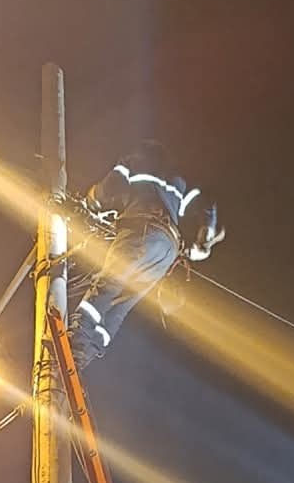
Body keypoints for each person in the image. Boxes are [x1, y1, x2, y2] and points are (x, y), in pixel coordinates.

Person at [67, 140, 223, 366]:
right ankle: (84, 356)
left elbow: (108, 188)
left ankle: (77, 340)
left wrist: (89, 203)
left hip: (142, 230)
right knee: (121, 305)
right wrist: (205, 236)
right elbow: (207, 202)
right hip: (167, 250)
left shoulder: (134, 162)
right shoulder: (178, 181)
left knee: (108, 284)